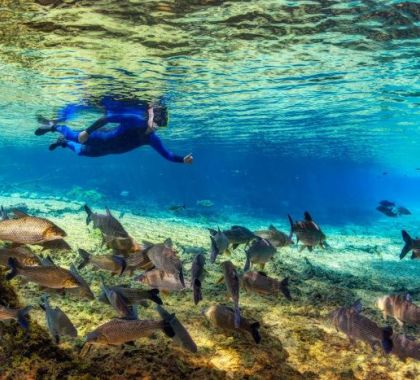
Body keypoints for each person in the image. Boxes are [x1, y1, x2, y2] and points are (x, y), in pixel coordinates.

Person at [35, 103, 193, 164]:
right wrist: (88, 131)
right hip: (100, 138)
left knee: (80, 153)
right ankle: (53, 126)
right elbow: (107, 118)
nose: (157, 128)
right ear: (151, 116)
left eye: (161, 125)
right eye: (157, 122)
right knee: (76, 137)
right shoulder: (134, 119)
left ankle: (63, 142)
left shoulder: (152, 139)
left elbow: (167, 155)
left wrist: (182, 160)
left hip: (106, 151)